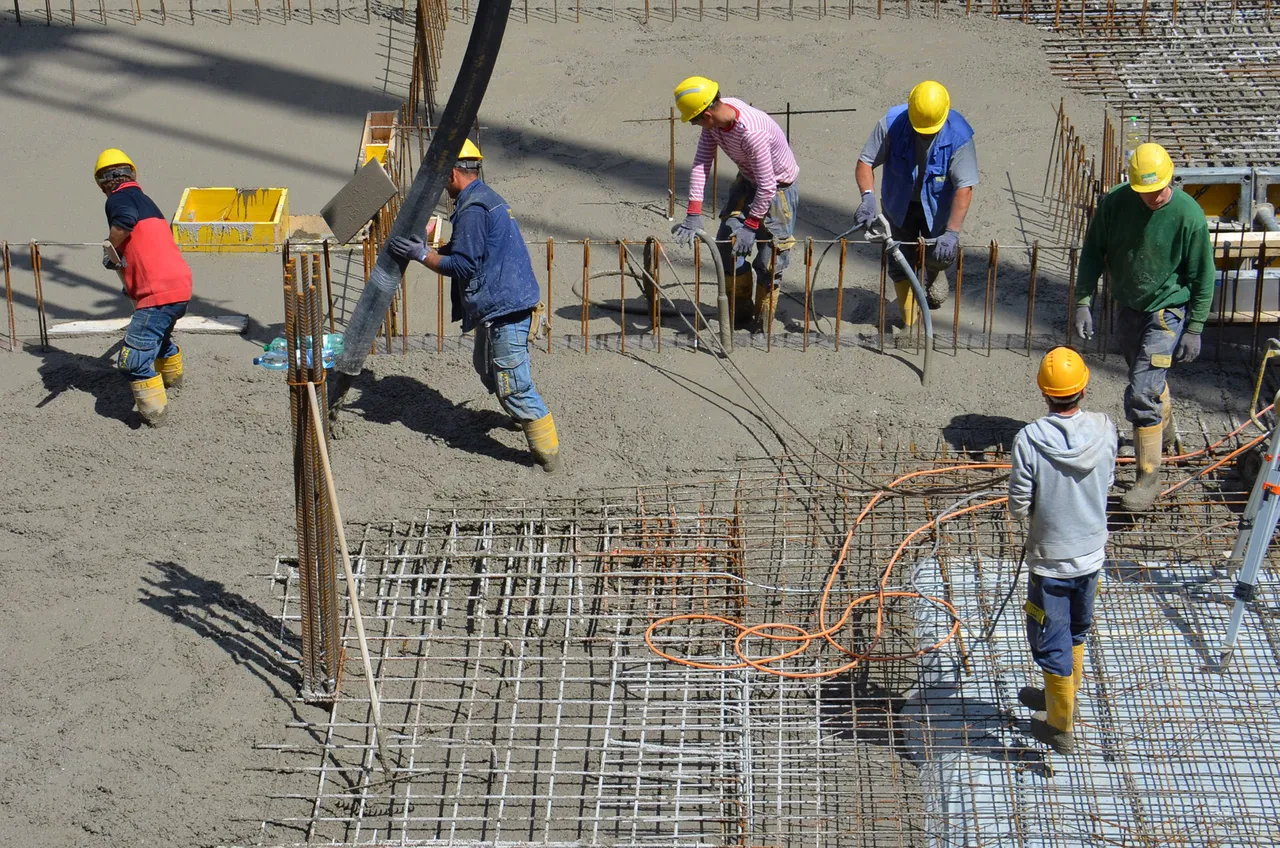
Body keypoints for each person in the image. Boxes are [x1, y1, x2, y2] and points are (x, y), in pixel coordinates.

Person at [387, 140, 562, 473]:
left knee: (515, 388)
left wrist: (422, 255)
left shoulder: (474, 208)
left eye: (442, 178)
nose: (440, 186)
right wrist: (434, 247)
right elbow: (469, 247)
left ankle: (548, 457)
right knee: (486, 369)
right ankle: (519, 417)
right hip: (499, 305)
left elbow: (464, 265)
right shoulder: (481, 199)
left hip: (505, 310)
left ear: (453, 172)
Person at [1073, 142, 1215, 511]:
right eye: (1145, 192)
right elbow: (1092, 252)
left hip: (1166, 314)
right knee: (1148, 383)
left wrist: (1195, 326)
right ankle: (1162, 435)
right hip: (1129, 306)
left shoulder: (1188, 215)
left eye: (1159, 189)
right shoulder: (1116, 204)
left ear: (1170, 179)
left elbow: (1203, 275)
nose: (1153, 197)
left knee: (1141, 392)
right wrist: (1083, 302)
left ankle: (1148, 479)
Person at [1008, 346, 1117, 755]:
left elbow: (1018, 504)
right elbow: (1106, 485)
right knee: (1076, 630)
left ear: (1044, 393)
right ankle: (1060, 697)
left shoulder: (1030, 439)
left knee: (1050, 639)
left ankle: (1059, 725)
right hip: (1092, 556)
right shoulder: (1106, 429)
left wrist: (1036, 506)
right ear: (1083, 390)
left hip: (1051, 564)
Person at [670, 76, 799, 334]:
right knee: (725, 246)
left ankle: (762, 324)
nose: (696, 125)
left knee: (769, 259)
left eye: (694, 120)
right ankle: (740, 314)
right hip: (747, 180)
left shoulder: (752, 133)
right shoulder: (715, 122)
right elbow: (701, 164)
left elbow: (767, 186)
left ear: (706, 114)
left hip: (778, 190)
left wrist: (751, 227)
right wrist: (693, 213)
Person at [853, 81, 979, 328]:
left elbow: (964, 188)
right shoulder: (892, 123)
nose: (925, 134)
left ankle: (935, 270)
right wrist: (867, 197)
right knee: (899, 258)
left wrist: (952, 233)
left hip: (938, 208)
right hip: (898, 204)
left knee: (939, 254)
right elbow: (865, 161)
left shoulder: (959, 135)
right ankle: (909, 322)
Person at [95, 148, 193, 427]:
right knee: (158, 339)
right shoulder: (146, 200)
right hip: (179, 287)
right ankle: (174, 381)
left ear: (103, 183)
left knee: (133, 361)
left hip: (157, 293)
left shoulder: (119, 199)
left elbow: (124, 221)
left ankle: (155, 416)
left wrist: (110, 246)